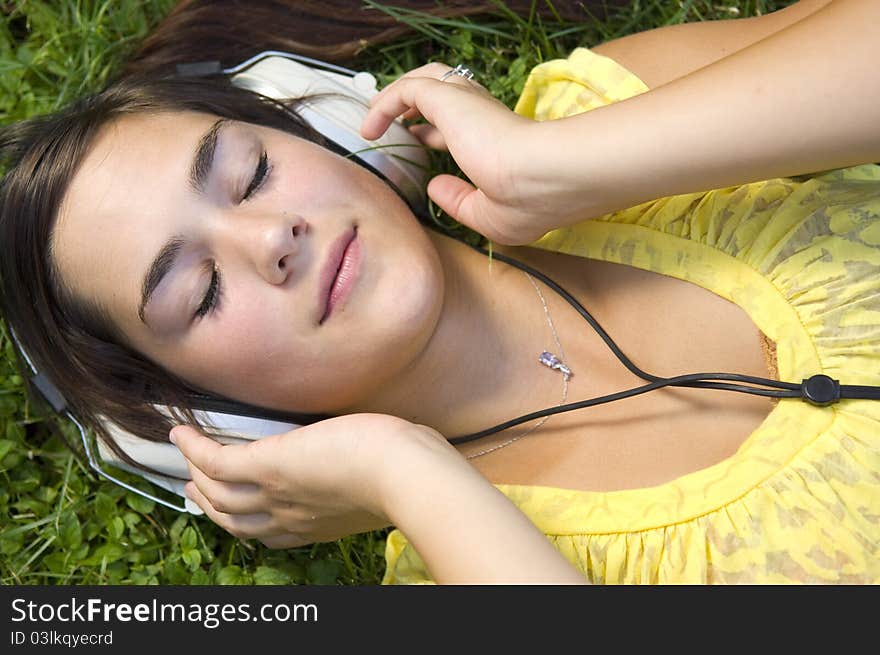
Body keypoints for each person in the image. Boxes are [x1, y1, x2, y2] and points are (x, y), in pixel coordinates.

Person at [1, 0, 878, 584]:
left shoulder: (601, 115)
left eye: (252, 171)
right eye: (198, 292)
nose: (271, 239)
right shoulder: (464, 562)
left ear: (335, 133)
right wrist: (403, 473)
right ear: (204, 417)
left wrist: (564, 162)